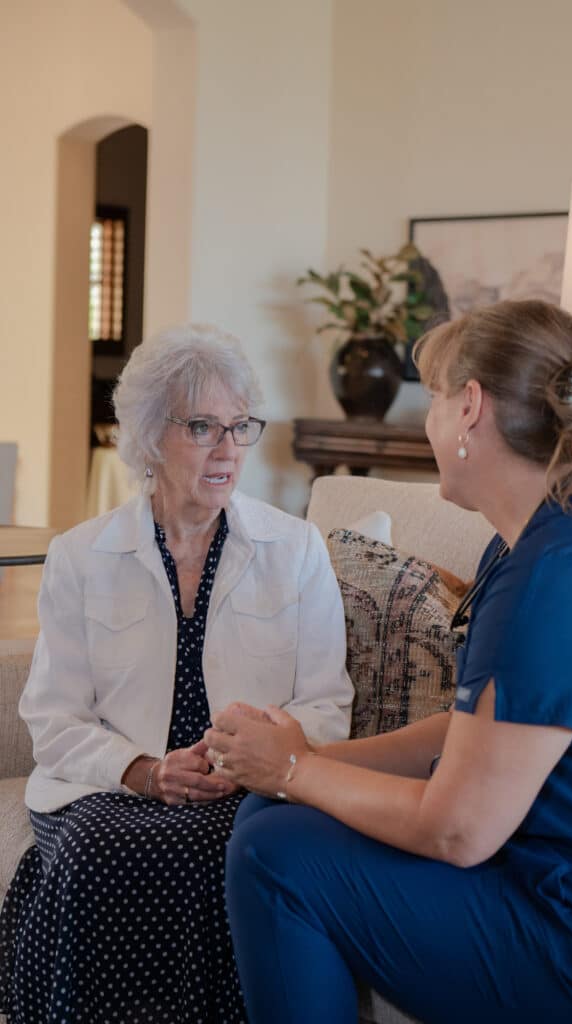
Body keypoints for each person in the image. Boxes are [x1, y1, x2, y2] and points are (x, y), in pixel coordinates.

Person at [206, 300, 572, 1024]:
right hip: (547, 880)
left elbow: (459, 830)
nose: (425, 419)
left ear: (468, 408)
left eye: (429, 396)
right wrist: (311, 757)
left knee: (276, 853)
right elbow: (474, 733)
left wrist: (296, 772)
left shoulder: (563, 578)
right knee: (271, 817)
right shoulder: (537, 542)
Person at [0, 323, 353, 1024]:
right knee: (101, 847)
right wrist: (145, 771)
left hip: (243, 786)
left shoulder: (295, 548)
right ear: (148, 438)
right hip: (109, 785)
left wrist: (242, 758)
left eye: (239, 426)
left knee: (228, 848)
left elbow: (325, 705)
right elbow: (52, 719)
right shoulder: (80, 555)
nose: (227, 449)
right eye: (202, 427)